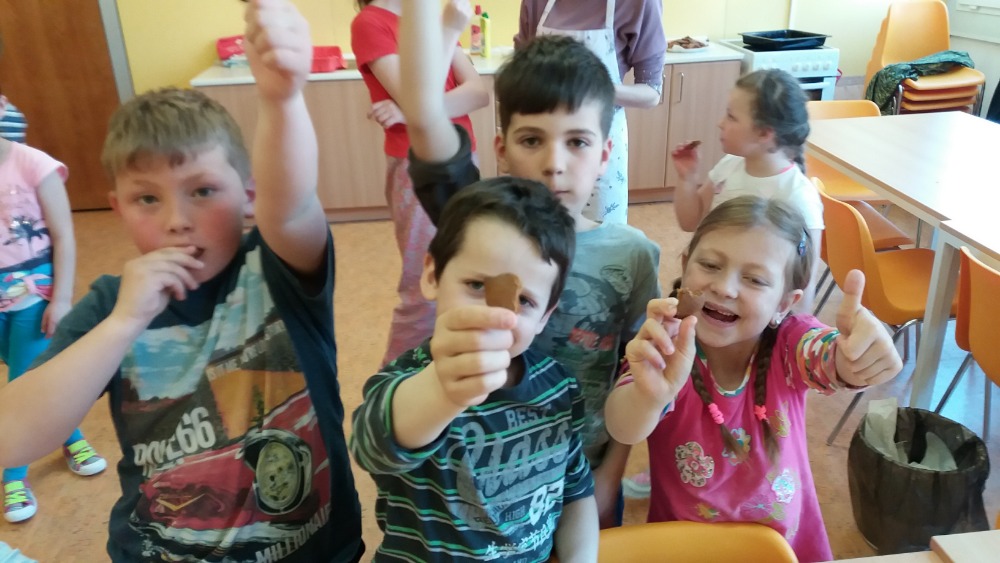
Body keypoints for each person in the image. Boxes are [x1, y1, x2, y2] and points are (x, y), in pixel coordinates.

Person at [0, 0, 365, 560]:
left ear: (249, 195)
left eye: (203, 191)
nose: (176, 219)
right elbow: (12, 435)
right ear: (118, 209)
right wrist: (124, 323)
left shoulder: (277, 270)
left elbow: (292, 205)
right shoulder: (110, 306)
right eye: (147, 199)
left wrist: (282, 99)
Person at [400, 0, 660, 529]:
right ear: (502, 148)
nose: (554, 163)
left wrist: (612, 473)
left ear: (604, 154)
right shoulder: (482, 231)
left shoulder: (633, 255)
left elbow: (634, 372)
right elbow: (424, 119)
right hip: (483, 477)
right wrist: (436, 22)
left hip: (583, 470)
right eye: (532, 140)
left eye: (577, 142)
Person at [605, 196, 904, 562]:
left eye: (755, 279)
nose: (725, 288)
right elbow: (623, 427)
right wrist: (649, 396)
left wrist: (856, 358)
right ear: (685, 265)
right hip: (687, 548)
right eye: (710, 265)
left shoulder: (790, 344)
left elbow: (828, 356)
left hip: (781, 548)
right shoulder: (664, 349)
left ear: (784, 303)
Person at [351, 0, 490, 367]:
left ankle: (449, 367)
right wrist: (418, 108)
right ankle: (392, 382)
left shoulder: (432, 18)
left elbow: (479, 93)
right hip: (417, 167)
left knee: (465, 270)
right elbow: (422, 106)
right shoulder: (371, 22)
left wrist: (414, 110)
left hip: (463, 156)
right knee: (423, 287)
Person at [0, 94, 106, 524]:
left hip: (34, 294)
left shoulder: (34, 165)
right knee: (27, 373)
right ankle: (69, 435)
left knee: (23, 383)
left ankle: (13, 475)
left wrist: (60, 299)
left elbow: (63, 236)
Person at [515, 0, 667, 224]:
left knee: (600, 235)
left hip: (596, 145)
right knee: (541, 231)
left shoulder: (638, 3)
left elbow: (651, 92)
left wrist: (589, 88)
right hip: (541, 142)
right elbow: (521, 69)